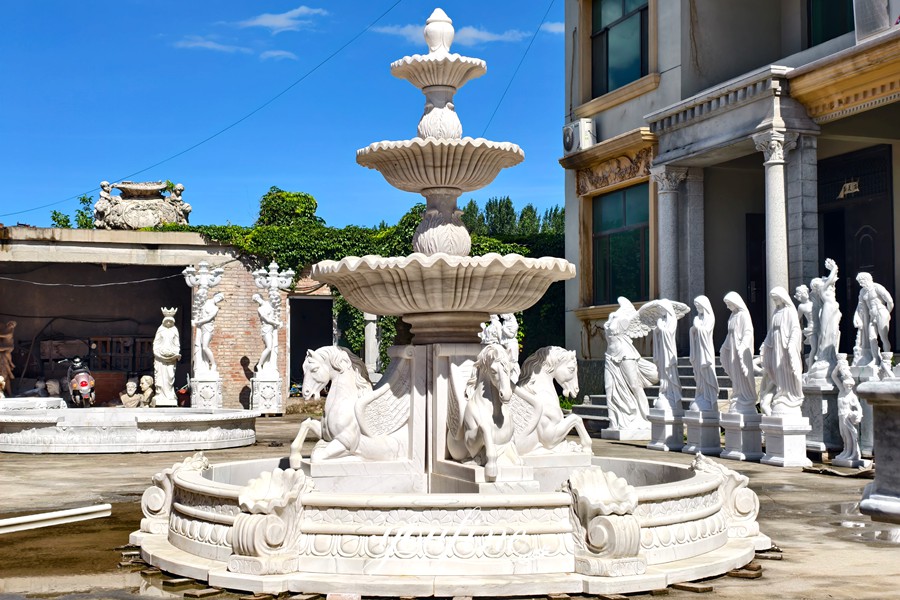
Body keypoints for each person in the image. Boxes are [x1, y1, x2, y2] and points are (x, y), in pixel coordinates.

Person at [604, 298, 657, 431]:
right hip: (610, 356)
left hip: (626, 354)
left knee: (635, 385)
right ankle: (613, 422)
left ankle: (646, 417)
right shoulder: (612, 318)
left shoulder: (624, 321)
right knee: (609, 387)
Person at [759, 287, 804, 416]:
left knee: (786, 369)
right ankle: (781, 392)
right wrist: (765, 344)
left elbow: (795, 328)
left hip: (785, 346)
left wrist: (791, 343)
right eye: (773, 299)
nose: (775, 301)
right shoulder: (776, 312)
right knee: (777, 371)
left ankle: (788, 394)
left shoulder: (790, 311)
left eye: (776, 298)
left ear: (782, 297)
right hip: (776, 346)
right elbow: (771, 331)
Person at [720, 292, 758, 414]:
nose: (727, 307)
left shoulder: (743, 315)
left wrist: (743, 345)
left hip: (740, 349)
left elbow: (748, 332)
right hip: (732, 349)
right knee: (735, 372)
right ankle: (737, 394)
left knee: (742, 372)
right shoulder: (732, 316)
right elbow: (729, 334)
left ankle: (746, 395)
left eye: (729, 304)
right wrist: (724, 346)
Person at [853, 272, 894, 367]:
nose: (860, 284)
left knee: (883, 337)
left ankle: (887, 360)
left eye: (861, 281)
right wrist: (856, 316)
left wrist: (887, 312)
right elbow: (860, 306)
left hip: (881, 312)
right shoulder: (862, 291)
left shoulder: (877, 287)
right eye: (859, 282)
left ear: (867, 279)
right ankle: (876, 359)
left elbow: (890, 301)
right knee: (872, 337)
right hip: (872, 316)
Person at [689, 295, 718, 412]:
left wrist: (697, 326)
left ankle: (708, 396)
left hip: (705, 351)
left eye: (699, 306)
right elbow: (694, 331)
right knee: (699, 374)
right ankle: (701, 394)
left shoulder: (710, 318)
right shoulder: (698, 318)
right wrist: (693, 330)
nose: (697, 308)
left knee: (706, 371)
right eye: (696, 306)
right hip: (698, 350)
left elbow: (705, 332)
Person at [832, 357, 863, 463]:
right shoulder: (841, 391)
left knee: (849, 435)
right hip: (841, 416)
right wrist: (838, 366)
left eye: (850, 385)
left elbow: (858, 407)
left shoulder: (852, 396)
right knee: (843, 435)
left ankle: (851, 453)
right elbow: (834, 376)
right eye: (847, 385)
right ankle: (846, 451)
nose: (849, 387)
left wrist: (859, 414)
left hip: (847, 417)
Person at [153, 309, 181, 406]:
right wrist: (157, 352)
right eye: (167, 321)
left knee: (170, 375)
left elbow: (177, 344)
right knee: (161, 375)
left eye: (170, 321)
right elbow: (155, 343)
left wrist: (176, 353)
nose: (168, 323)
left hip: (171, 357)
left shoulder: (175, 330)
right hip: (160, 357)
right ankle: (160, 394)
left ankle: (169, 394)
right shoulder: (160, 330)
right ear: (164, 321)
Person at [192, 293, 224, 374]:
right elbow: (198, 310)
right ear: (215, 295)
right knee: (201, 346)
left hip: (208, 328)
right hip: (202, 327)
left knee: (205, 347)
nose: (219, 299)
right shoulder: (205, 302)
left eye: (221, 299)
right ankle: (204, 365)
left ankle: (213, 364)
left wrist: (197, 322)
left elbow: (209, 318)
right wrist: (196, 320)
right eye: (219, 297)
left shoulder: (215, 308)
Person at [253, 293, 282, 375]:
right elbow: (267, 319)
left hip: (272, 329)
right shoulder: (260, 309)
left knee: (271, 347)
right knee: (269, 347)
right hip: (266, 329)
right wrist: (277, 323)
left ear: (260, 296)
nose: (256, 300)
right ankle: (259, 365)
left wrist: (277, 322)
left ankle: (268, 364)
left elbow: (274, 312)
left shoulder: (268, 304)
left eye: (257, 297)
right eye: (255, 300)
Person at [795, 284, 814, 373]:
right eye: (802, 293)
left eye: (805, 292)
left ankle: (811, 365)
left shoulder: (814, 302)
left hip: (819, 326)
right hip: (810, 329)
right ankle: (809, 367)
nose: (804, 294)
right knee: (814, 348)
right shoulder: (801, 306)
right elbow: (797, 319)